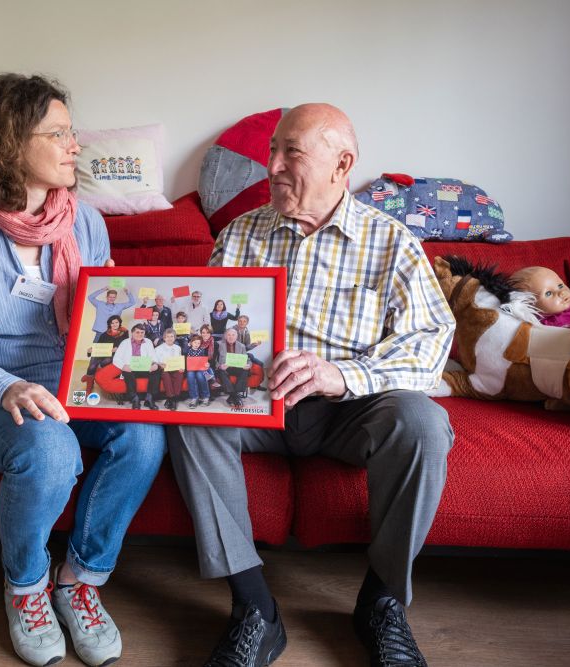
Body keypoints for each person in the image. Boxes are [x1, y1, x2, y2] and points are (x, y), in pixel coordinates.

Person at [167, 103, 455, 667]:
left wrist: (341, 375)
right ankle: (254, 609)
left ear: (341, 163)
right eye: (271, 151)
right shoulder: (239, 235)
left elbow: (431, 343)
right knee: (188, 408)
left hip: (349, 408)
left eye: (289, 152)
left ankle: (382, 603)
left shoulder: (391, 243)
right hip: (255, 404)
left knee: (424, 423)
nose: (271, 165)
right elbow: (205, 330)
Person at [0, 73, 165, 667]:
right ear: (7, 144)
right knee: (50, 449)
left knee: (145, 435)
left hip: (78, 385)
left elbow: (111, 319)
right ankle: (26, 587)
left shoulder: (87, 223)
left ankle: (80, 581)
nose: (75, 145)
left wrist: (144, 355)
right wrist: (6, 386)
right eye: (58, 133)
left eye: (71, 132)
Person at [112, 323, 161, 410]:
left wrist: (154, 364)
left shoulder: (148, 342)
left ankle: (149, 398)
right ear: (132, 333)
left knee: (157, 370)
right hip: (131, 368)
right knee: (127, 373)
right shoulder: (125, 342)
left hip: (145, 368)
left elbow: (153, 356)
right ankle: (134, 398)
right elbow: (116, 358)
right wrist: (123, 366)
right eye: (137, 332)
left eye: (142, 332)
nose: (140, 334)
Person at [213, 327, 253, 408]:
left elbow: (247, 359)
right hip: (225, 368)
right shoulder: (218, 344)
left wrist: (248, 365)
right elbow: (214, 360)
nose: (231, 337)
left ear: (236, 336)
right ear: (225, 336)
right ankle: (236, 397)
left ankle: (232, 396)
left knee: (245, 371)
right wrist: (220, 366)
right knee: (221, 372)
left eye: (233, 335)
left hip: (237, 367)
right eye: (229, 335)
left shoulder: (241, 346)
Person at [153, 328, 184, 410]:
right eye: (168, 336)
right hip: (164, 368)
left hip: (175, 368)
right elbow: (155, 361)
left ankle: (172, 398)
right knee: (165, 374)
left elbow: (179, 360)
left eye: (172, 336)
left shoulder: (178, 348)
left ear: (174, 338)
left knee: (180, 373)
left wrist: (181, 367)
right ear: (164, 338)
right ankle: (172, 399)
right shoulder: (158, 349)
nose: (170, 338)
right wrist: (160, 364)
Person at [184, 334, 212, 408]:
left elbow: (205, 361)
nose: (197, 344)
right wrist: (187, 345)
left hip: (200, 368)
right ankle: (194, 398)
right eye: (195, 342)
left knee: (200, 375)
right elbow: (184, 356)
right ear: (191, 342)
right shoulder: (188, 350)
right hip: (191, 369)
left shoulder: (201, 350)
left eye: (198, 343)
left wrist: (207, 364)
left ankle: (206, 396)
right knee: (190, 375)